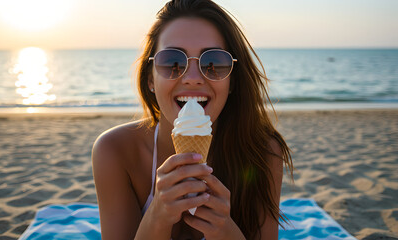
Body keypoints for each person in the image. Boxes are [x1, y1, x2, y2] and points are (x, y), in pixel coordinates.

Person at [92, 0, 293, 239]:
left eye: (214, 62)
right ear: (150, 80)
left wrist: (224, 229)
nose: (193, 78)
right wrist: (157, 216)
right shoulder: (116, 151)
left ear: (232, 82)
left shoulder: (263, 152)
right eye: (172, 62)